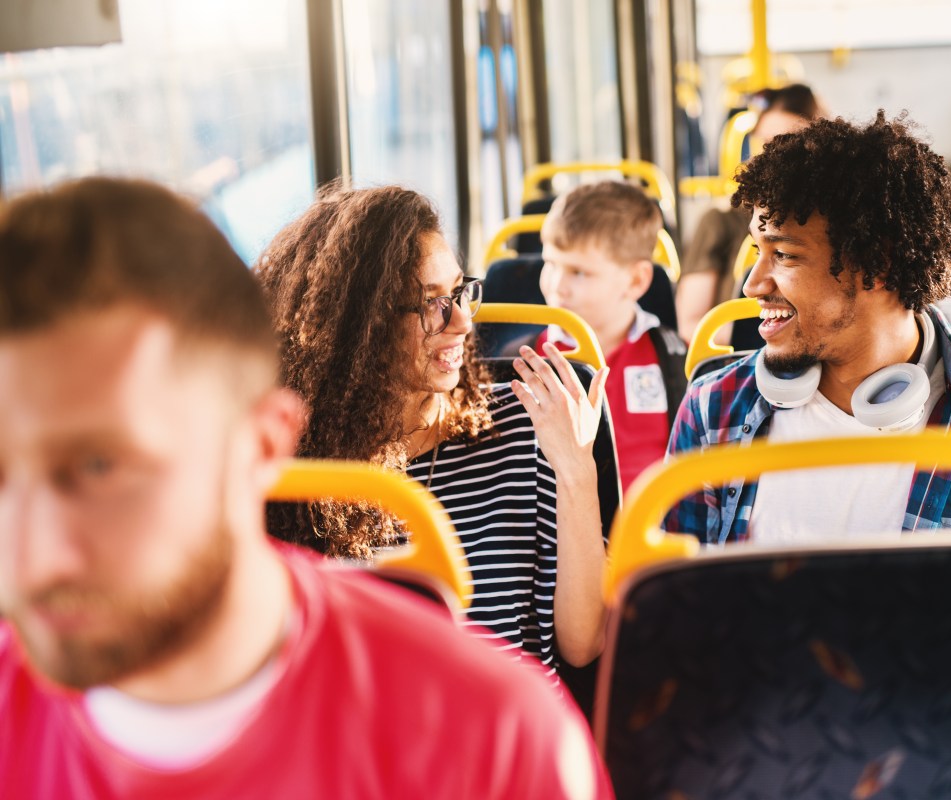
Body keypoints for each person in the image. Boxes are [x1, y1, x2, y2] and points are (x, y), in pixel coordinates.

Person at [0, 177, 612, 798]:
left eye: (100, 466)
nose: (28, 552)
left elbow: (580, 640)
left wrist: (574, 467)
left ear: (263, 448)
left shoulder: (495, 739)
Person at [666, 112, 951, 545]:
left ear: (877, 263)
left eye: (785, 255)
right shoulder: (711, 411)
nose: (752, 284)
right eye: (758, 250)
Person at [257, 186, 608, 676]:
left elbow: (584, 641)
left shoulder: (533, 424)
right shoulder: (303, 469)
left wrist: (575, 470)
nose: (463, 322)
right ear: (362, 326)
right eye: (432, 304)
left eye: (460, 293)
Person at [514, 181, 688, 492]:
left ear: (635, 280)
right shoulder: (525, 362)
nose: (557, 286)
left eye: (579, 272)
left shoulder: (677, 362)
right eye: (550, 264)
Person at [676, 83, 828, 342]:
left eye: (788, 145)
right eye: (765, 143)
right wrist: (762, 335)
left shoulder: (826, 222)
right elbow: (691, 324)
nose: (772, 156)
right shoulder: (720, 222)